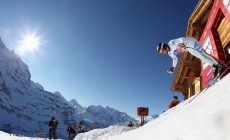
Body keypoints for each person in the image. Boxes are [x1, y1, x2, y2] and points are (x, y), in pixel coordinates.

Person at [156, 37, 225, 77]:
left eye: (161, 51)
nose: (162, 53)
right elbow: (175, 59)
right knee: (201, 57)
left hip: (191, 42)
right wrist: (173, 67)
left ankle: (219, 64)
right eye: (160, 52)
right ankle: (216, 67)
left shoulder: (171, 43)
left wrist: (181, 44)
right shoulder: (170, 53)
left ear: (164, 46)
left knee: (203, 54)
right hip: (189, 48)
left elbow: (181, 39)